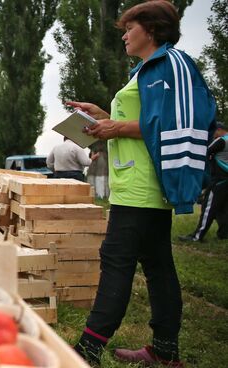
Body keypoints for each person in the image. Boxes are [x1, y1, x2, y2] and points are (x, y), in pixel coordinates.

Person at [67, 1, 216, 366]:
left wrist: (115, 128)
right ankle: (165, 351)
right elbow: (146, 119)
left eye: (129, 28)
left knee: (116, 261)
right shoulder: (145, 70)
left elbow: (181, 120)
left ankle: (87, 350)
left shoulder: (172, 65)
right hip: (135, 182)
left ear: (150, 29)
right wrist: (102, 115)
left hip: (143, 185)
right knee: (158, 266)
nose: (123, 35)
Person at [179, 122, 228, 242]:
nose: (213, 135)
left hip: (219, 181)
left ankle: (197, 236)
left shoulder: (221, 141)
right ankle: (224, 233)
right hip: (226, 180)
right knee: (224, 208)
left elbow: (204, 152)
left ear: (219, 130)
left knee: (208, 208)